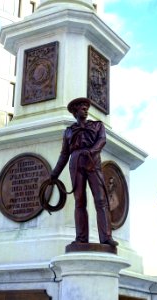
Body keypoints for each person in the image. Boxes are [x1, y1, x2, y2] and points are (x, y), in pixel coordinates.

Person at [51, 97, 118, 247]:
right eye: (82, 108)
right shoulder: (68, 132)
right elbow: (64, 154)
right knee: (79, 201)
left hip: (92, 160)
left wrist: (92, 151)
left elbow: (102, 140)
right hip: (75, 162)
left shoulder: (97, 126)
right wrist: (54, 174)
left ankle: (106, 237)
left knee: (100, 199)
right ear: (75, 111)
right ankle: (81, 238)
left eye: (86, 108)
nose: (86, 110)